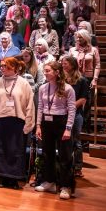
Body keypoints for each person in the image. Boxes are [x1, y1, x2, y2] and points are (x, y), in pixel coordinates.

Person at [0, 57, 36, 189]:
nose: (2, 68)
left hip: (17, 122)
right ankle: (1, 177)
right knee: (1, 150)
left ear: (14, 67)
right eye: (1, 66)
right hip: (1, 121)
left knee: (15, 150)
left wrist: (29, 123)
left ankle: (14, 179)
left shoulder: (23, 83)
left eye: (5, 66)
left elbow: (30, 104)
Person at [35, 61, 77, 200]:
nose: (45, 73)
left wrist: (68, 129)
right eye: (44, 70)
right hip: (46, 123)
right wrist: (38, 126)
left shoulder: (68, 88)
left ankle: (66, 186)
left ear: (57, 72)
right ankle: (50, 182)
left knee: (65, 156)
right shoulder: (42, 88)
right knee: (47, 154)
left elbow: (72, 109)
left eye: (48, 71)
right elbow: (40, 107)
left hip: (62, 122)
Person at [61, 55, 88, 178]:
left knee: (76, 141)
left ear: (72, 65)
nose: (63, 65)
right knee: (63, 140)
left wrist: (69, 108)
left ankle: (77, 167)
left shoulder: (82, 80)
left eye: (65, 63)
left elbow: (82, 99)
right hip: (61, 113)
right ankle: (63, 164)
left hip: (76, 114)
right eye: (62, 63)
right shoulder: (61, 79)